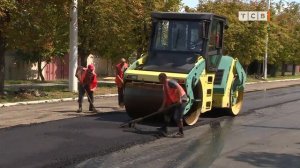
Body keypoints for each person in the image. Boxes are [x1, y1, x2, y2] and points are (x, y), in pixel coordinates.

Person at [158, 73, 188, 138]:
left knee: (177, 118)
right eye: (160, 79)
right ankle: (164, 128)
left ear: (165, 78)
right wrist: (162, 107)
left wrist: (180, 99)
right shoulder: (164, 86)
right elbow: (165, 97)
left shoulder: (170, 82)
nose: (160, 80)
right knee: (167, 112)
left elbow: (178, 88)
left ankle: (181, 133)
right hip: (175, 101)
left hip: (182, 100)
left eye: (161, 79)